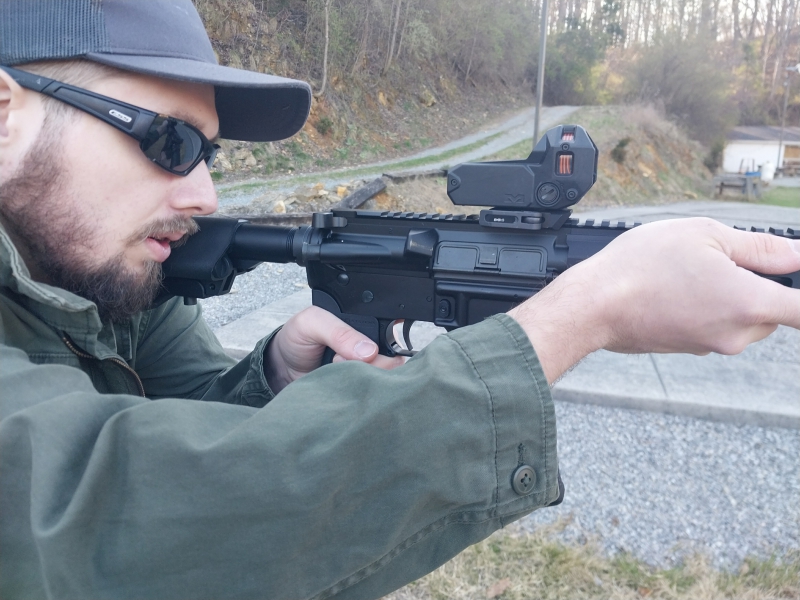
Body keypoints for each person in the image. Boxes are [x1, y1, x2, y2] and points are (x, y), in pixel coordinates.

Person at [1, 1, 798, 599]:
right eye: (168, 142)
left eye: (207, 152)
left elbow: (190, 435)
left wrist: (273, 376)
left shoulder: (94, 281)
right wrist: (585, 312)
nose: (205, 192)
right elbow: (124, 522)